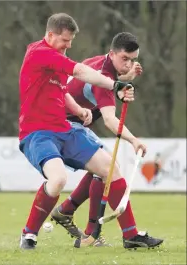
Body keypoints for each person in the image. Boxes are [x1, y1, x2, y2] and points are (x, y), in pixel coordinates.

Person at [18, 13, 136, 250]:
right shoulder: (39, 53)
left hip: (65, 129)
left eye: (71, 41)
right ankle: (29, 234)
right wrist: (115, 84)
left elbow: (61, 90)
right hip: (38, 132)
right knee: (59, 178)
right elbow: (80, 72)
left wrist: (79, 109)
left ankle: (132, 235)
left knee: (108, 167)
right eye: (65, 40)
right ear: (50, 35)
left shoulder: (57, 55)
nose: (69, 45)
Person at [50, 32, 164, 249]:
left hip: (71, 122)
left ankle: (72, 215)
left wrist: (124, 79)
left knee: (105, 169)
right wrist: (133, 140)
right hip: (64, 126)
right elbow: (111, 121)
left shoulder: (102, 64)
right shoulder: (103, 77)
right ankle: (125, 234)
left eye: (133, 59)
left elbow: (103, 85)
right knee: (110, 169)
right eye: (125, 59)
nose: (129, 63)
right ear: (112, 54)